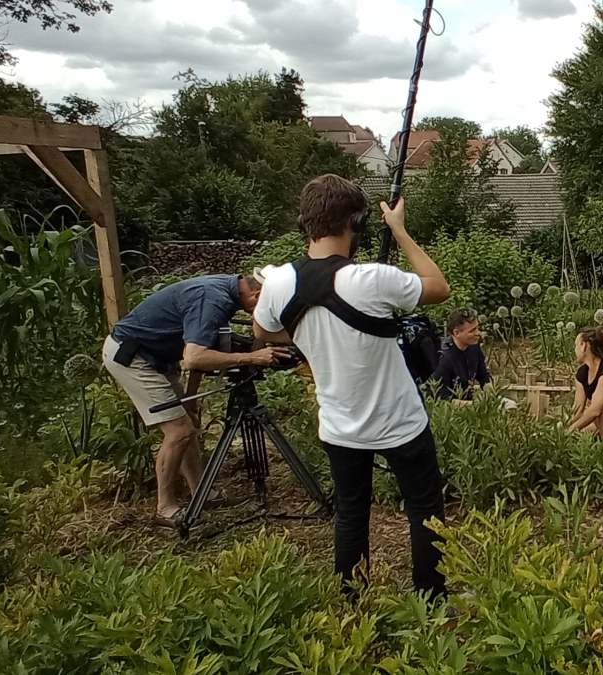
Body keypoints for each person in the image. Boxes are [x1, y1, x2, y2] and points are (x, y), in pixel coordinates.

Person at [253, 174, 451, 598]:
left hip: (340, 427)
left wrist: (313, 336)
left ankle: (351, 602)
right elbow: (438, 287)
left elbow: (264, 331)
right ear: (356, 222)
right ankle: (432, 602)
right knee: (424, 510)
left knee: (350, 514)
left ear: (306, 222)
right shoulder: (372, 279)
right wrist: (398, 229)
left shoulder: (277, 284)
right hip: (401, 423)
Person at [102, 275, 288, 528]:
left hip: (158, 357)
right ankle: (164, 508)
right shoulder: (213, 299)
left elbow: (204, 345)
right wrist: (252, 357)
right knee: (179, 432)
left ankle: (202, 494)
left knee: (187, 423)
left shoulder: (227, 289)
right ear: (257, 295)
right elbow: (195, 357)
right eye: (261, 310)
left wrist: (190, 398)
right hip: (134, 357)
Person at [430, 307, 492, 401]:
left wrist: (494, 396)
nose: (478, 333)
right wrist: (478, 406)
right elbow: (442, 399)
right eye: (472, 330)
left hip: (467, 402)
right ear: (457, 332)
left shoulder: (474, 347)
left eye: (477, 328)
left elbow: (484, 376)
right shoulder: (442, 358)